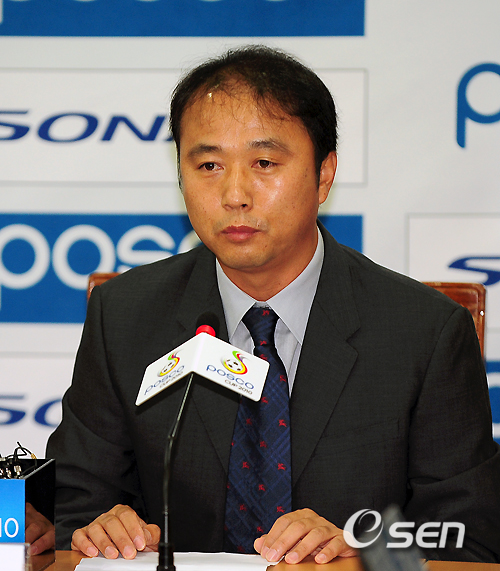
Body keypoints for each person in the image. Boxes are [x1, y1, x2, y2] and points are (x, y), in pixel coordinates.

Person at [47, 45, 500, 564]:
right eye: (209, 164)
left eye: (264, 163)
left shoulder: (424, 333)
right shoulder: (125, 316)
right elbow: (68, 509)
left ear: (324, 174)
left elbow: (470, 541)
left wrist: (362, 549)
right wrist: (100, 530)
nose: (235, 194)